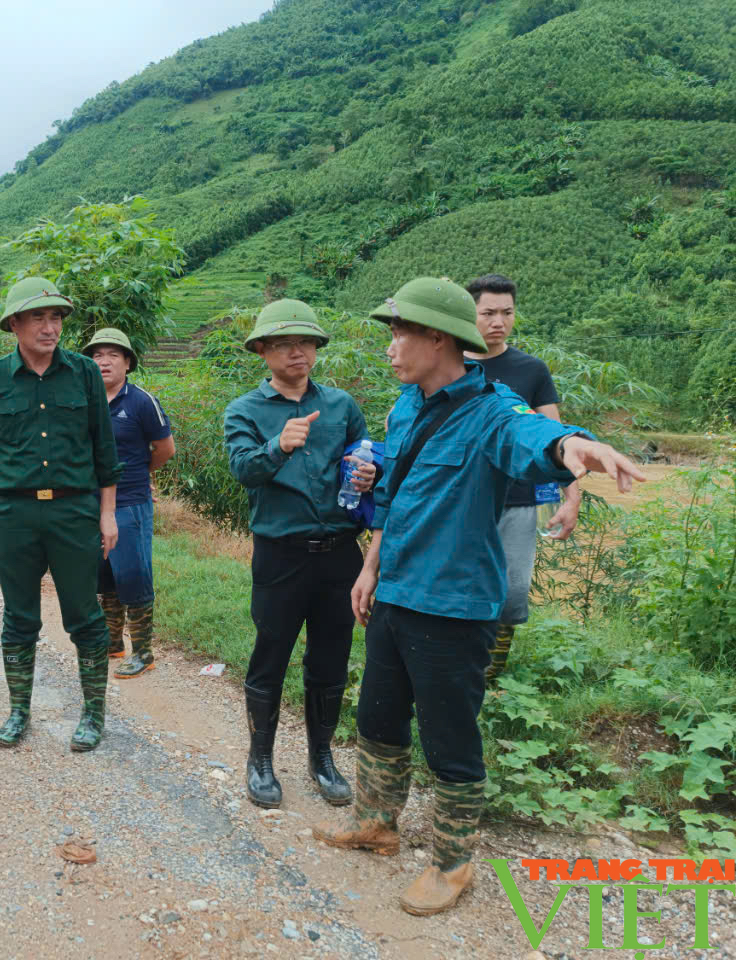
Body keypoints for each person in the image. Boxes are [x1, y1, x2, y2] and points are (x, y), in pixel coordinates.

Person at [312, 277, 645, 916]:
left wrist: (573, 445)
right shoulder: (406, 407)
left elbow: (534, 440)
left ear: (438, 338)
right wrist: (370, 568)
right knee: (379, 718)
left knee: (449, 737)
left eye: (399, 332)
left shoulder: (493, 411)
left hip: (454, 606)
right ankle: (376, 820)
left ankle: (452, 860)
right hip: (397, 592)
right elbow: (395, 496)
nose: (390, 346)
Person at [222, 300, 376, 810]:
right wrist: (278, 447)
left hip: (339, 553)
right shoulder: (245, 410)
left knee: (330, 658)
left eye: (307, 343)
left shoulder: (341, 405)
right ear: (263, 351)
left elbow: (365, 456)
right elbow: (243, 469)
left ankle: (322, 758)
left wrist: (370, 473)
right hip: (280, 554)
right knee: (271, 653)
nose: (298, 352)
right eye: (285, 344)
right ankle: (260, 760)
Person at [0, 277, 121, 752]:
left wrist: (108, 514)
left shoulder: (84, 373)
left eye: (56, 317)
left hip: (75, 510)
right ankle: (19, 711)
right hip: (14, 514)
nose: (50, 326)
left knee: (84, 615)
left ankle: (93, 714)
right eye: (38, 316)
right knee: (19, 618)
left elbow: (105, 448)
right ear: (14, 323)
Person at [463, 273, 581, 681]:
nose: (499, 321)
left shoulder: (531, 370)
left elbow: (555, 434)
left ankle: (490, 677)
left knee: (511, 594)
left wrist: (572, 496)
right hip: (461, 499)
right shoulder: (447, 365)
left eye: (507, 312)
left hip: (517, 498)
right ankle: (455, 673)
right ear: (469, 314)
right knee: (459, 587)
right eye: (488, 312)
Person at [81, 328, 174, 679]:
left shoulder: (140, 401)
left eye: (112, 355)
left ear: (128, 362)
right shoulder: (85, 401)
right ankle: (113, 643)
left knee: (133, 573)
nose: (104, 361)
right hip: (91, 502)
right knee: (105, 574)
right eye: (97, 355)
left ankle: (144, 652)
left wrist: (135, 473)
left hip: (130, 501)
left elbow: (165, 449)